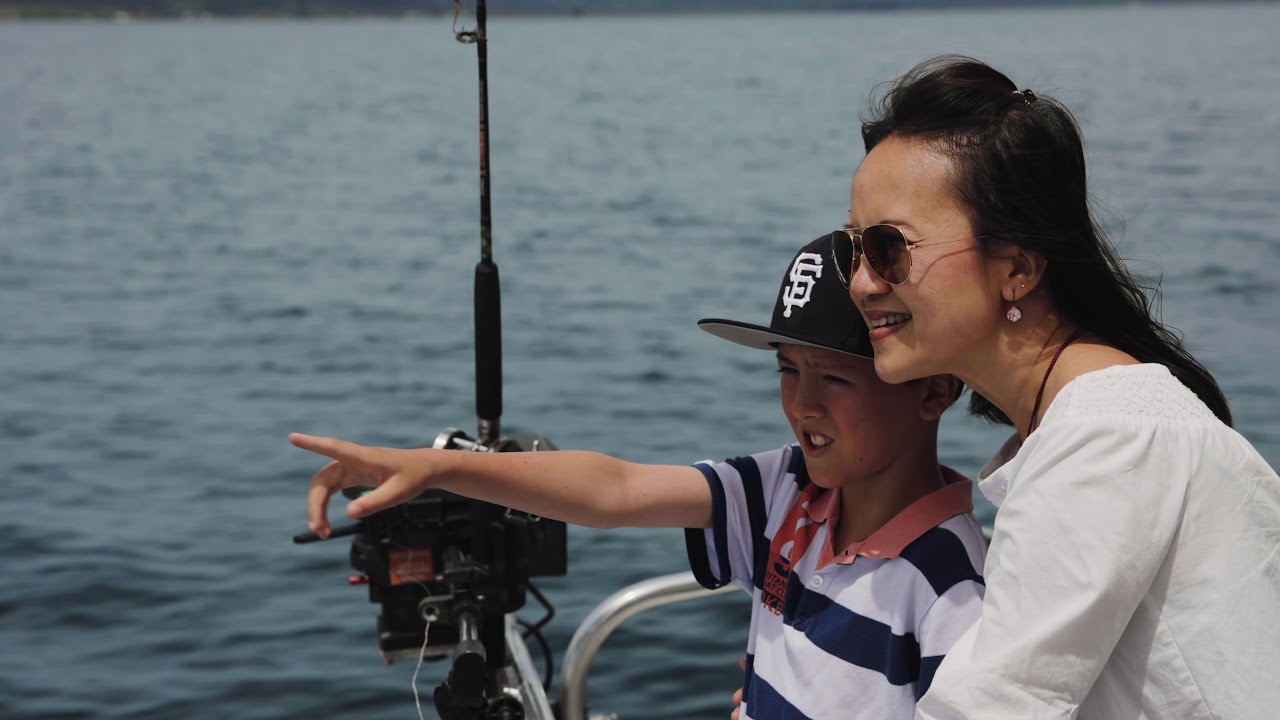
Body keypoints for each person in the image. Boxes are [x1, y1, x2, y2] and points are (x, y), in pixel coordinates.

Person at [293, 236, 988, 720]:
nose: (802, 403)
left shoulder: (952, 586)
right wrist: (437, 467)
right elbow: (615, 491)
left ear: (932, 390)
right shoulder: (789, 491)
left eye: (834, 376)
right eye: (786, 368)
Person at [833, 55, 1280, 719]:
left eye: (889, 249)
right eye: (852, 250)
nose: (863, 282)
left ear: (1017, 267)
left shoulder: (1105, 441)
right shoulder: (1089, 425)